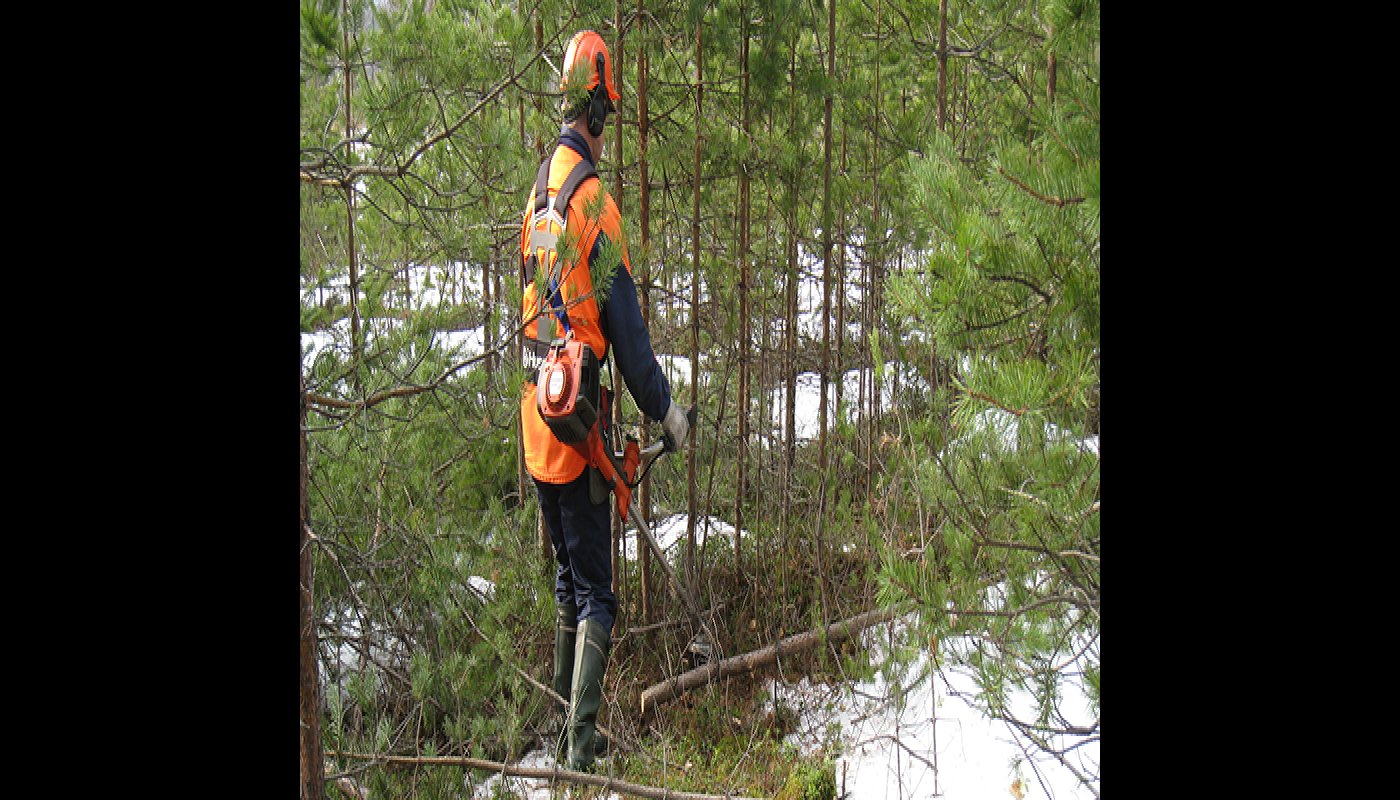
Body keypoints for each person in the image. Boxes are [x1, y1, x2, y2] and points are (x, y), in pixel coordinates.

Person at [517, 28, 690, 772]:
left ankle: (560, 734)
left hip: (537, 417)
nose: (605, 131)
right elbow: (627, 328)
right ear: (596, 110)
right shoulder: (595, 207)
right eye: (607, 117)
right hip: (578, 428)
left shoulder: (538, 195)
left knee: (568, 580)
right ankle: (578, 756)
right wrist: (666, 409)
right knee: (597, 598)